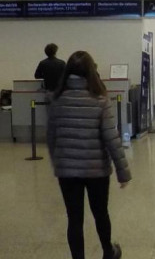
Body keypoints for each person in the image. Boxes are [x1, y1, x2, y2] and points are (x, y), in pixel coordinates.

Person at [47, 51, 130, 259]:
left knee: (74, 218)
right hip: (97, 170)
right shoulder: (100, 99)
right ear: (92, 71)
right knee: (100, 213)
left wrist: (58, 161)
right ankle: (108, 252)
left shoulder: (57, 99)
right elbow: (111, 138)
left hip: (67, 172)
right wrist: (123, 172)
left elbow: (51, 136)